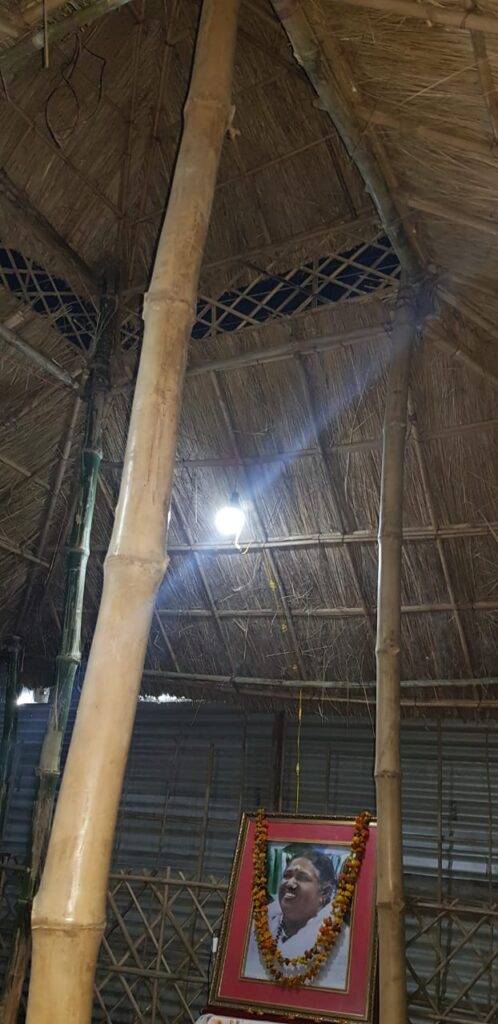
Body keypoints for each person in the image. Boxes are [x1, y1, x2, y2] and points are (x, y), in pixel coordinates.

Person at [243, 847, 350, 990]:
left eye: (302, 878)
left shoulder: (342, 942)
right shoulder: (260, 927)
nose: (290, 883)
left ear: (325, 892)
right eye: (287, 875)